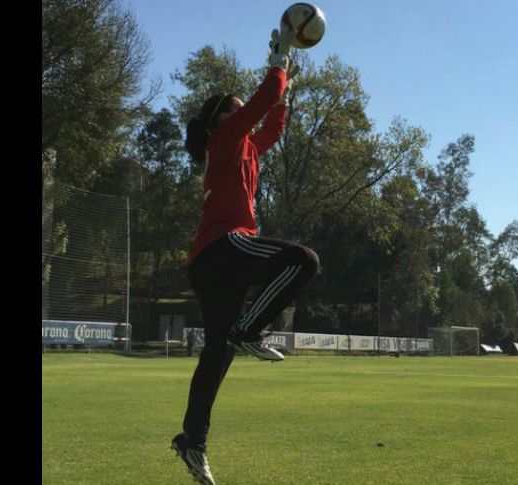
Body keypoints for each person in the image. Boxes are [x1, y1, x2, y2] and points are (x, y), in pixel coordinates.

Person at [170, 27, 320, 485]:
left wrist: (286, 78)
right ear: (222, 118)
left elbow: (274, 122)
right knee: (305, 261)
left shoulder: (247, 146)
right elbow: (264, 100)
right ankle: (251, 329)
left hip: (210, 263)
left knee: (217, 353)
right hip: (222, 246)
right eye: (237, 108)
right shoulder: (225, 136)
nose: (244, 113)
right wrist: (280, 58)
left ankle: (192, 442)